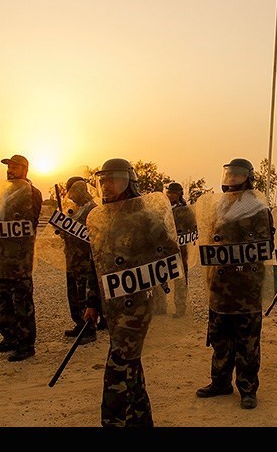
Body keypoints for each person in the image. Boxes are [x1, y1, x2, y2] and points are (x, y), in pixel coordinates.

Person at [83, 158, 178, 426]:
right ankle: (141, 420)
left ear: (128, 182)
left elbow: (170, 254)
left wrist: (139, 269)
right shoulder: (102, 218)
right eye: (103, 180)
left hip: (136, 305)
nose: (106, 185)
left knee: (118, 367)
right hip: (112, 305)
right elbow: (96, 264)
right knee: (131, 366)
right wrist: (92, 302)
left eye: (112, 180)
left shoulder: (145, 217)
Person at [195, 158, 273, 410]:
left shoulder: (258, 208)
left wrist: (233, 251)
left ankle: (248, 389)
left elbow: (265, 246)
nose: (231, 179)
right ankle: (220, 382)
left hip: (245, 286)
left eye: (237, 175)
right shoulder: (217, 206)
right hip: (219, 284)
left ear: (248, 178)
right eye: (229, 174)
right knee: (220, 337)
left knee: (247, 341)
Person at [0, 154, 43, 362]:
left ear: (24, 170)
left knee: (21, 301)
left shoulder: (32, 193)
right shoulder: (6, 192)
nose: (9, 170)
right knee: (1, 299)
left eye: (14, 167)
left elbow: (30, 224)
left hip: (20, 257)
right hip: (2, 255)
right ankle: (9, 338)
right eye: (9, 167)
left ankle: (26, 344)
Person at [59, 176, 98, 345]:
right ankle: (79, 324)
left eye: (72, 191)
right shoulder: (77, 209)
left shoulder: (92, 209)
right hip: (73, 259)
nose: (70, 195)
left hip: (85, 261)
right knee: (73, 294)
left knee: (83, 295)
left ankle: (88, 329)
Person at [166, 182, 194, 318]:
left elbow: (193, 228)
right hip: (165, 247)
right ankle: (161, 306)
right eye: (169, 192)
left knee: (180, 278)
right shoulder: (163, 208)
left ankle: (180, 308)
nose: (170, 195)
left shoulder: (185, 210)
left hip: (180, 249)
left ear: (178, 194)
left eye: (173, 193)